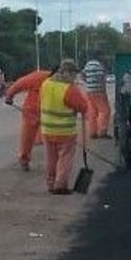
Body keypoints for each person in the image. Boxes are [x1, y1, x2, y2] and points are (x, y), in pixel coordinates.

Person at [39, 60, 92, 194]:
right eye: (73, 75)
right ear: (66, 72)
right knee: (65, 159)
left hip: (47, 130)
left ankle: (51, 184)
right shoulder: (69, 88)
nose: (74, 79)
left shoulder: (45, 84)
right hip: (65, 131)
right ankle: (60, 186)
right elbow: (82, 106)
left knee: (50, 158)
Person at [4, 67, 52, 171]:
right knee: (28, 138)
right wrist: (9, 96)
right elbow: (19, 84)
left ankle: (27, 160)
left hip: (42, 111)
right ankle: (25, 160)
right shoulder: (41, 76)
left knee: (31, 138)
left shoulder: (42, 76)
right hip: (35, 111)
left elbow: (18, 84)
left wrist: (9, 96)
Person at [82, 54, 111, 138]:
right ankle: (102, 131)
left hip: (89, 91)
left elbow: (82, 75)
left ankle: (92, 132)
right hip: (98, 91)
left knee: (92, 111)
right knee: (104, 111)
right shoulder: (99, 65)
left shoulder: (88, 65)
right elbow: (102, 79)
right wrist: (103, 90)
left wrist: (88, 83)